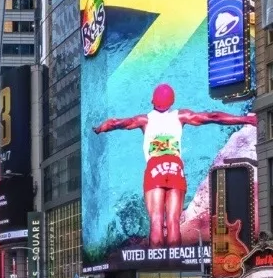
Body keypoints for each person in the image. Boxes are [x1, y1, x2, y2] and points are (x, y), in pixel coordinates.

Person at [93, 84, 255, 247]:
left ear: (152, 100)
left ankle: (157, 264)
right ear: (172, 101)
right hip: (175, 167)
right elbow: (213, 117)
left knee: (156, 220)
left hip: (155, 167)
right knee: (173, 222)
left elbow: (116, 123)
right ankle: (174, 262)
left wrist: (100, 128)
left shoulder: (145, 120)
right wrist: (246, 119)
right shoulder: (181, 116)